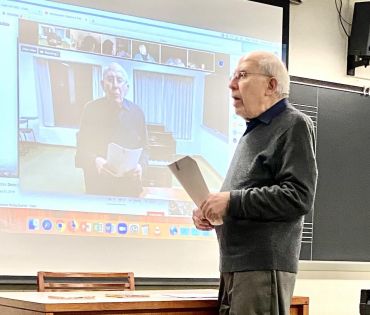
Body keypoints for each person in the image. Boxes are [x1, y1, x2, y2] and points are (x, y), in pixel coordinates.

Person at [192, 51, 318, 315]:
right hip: (235, 266)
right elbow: (244, 198)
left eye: (242, 75)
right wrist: (211, 210)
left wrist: (231, 201)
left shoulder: (293, 124)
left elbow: (298, 196)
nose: (231, 84)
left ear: (271, 85)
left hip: (261, 268)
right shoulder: (253, 133)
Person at [75, 62, 148, 197]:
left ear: (127, 87)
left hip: (128, 184)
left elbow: (145, 149)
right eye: (110, 79)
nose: (115, 85)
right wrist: (94, 160)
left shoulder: (138, 112)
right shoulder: (90, 109)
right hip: (99, 183)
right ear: (103, 85)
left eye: (119, 80)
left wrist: (140, 166)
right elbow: (81, 149)